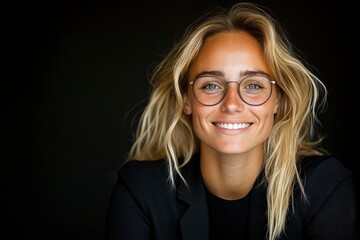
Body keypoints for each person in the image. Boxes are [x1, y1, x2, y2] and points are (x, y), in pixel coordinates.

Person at [105, 2, 357, 240]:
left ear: (278, 100)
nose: (232, 104)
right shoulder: (141, 189)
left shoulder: (322, 185)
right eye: (211, 85)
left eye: (254, 85)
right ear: (186, 100)